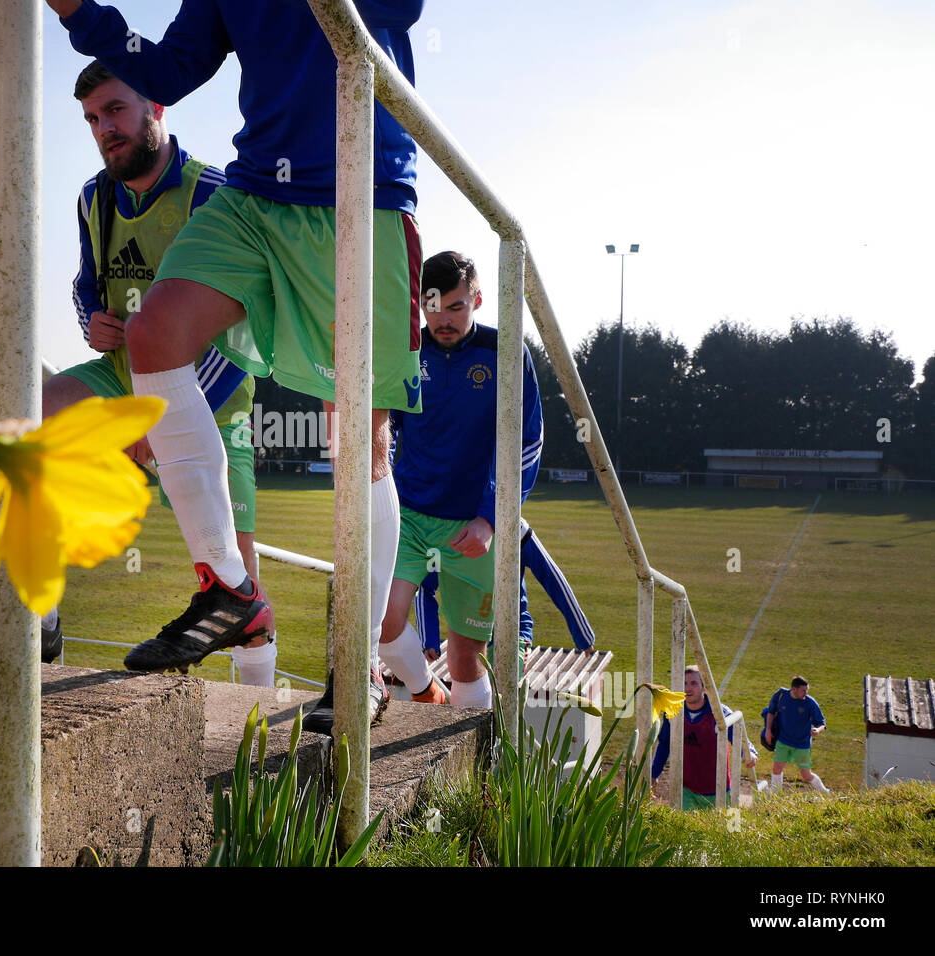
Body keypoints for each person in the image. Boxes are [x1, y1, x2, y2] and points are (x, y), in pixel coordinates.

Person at [49, 0, 425, 725]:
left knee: (358, 440)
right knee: (154, 332)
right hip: (256, 195)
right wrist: (79, 11)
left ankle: (359, 668)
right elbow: (168, 69)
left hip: (359, 191)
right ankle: (230, 588)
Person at [39, 59, 276, 687]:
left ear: (157, 108)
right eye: (92, 119)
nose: (104, 129)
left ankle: (252, 729)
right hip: (119, 378)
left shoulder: (212, 194)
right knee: (30, 412)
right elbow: (85, 282)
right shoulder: (93, 197)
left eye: (115, 110)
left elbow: (246, 323)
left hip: (213, 399)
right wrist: (90, 316)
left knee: (240, 580)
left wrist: (166, 417)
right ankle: (43, 616)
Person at [376, 251, 543, 710]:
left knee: (466, 656)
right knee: (383, 621)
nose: (442, 319)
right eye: (432, 306)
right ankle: (427, 693)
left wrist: (490, 518)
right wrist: (382, 480)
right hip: (407, 512)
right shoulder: (407, 349)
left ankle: (477, 765)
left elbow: (527, 443)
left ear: (478, 301)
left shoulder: (505, 354)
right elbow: (385, 425)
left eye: (455, 307)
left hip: (470, 525)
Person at [411, 515, 596, 666]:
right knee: (470, 701)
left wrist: (582, 634)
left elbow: (552, 577)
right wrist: (429, 637)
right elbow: (424, 587)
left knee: (502, 699)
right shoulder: (440, 529)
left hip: (512, 634)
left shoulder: (514, 526)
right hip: (465, 635)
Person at [651, 665, 758, 810]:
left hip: (718, 790)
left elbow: (738, 733)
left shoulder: (719, 713)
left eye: (693, 683)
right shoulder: (674, 712)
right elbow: (664, 744)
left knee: (726, 829)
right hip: (686, 790)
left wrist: (749, 752)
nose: (688, 688)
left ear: (704, 687)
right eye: (684, 683)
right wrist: (653, 774)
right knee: (683, 830)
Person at [763, 676, 829, 793]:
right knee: (777, 769)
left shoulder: (810, 703)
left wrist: (818, 730)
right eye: (804, 690)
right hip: (783, 741)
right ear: (794, 689)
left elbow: (822, 723)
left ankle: (826, 792)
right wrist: (768, 730)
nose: (806, 693)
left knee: (806, 774)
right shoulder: (781, 696)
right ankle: (775, 796)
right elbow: (771, 712)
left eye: (807, 690)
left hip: (802, 745)